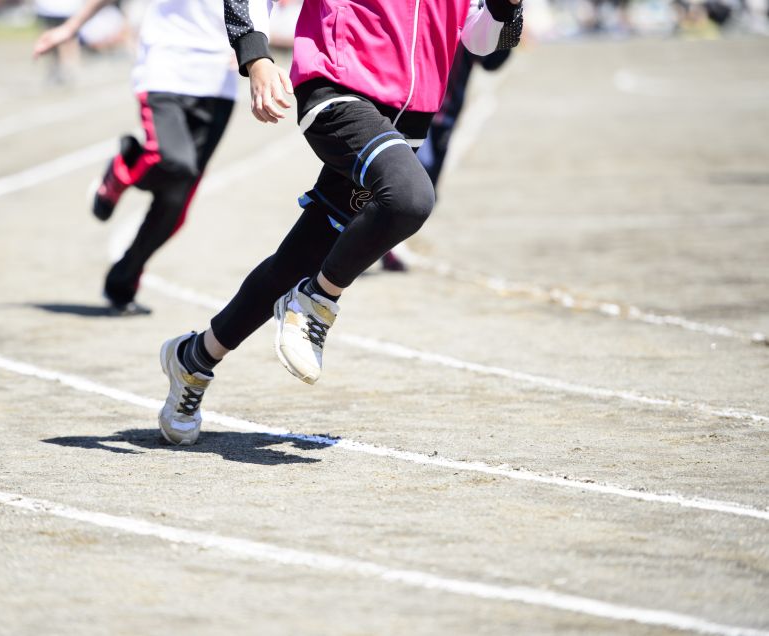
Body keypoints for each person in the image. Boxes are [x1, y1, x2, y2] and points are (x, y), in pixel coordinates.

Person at [157, 0, 523, 445]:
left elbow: (479, 40)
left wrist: (509, 8)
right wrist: (255, 56)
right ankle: (316, 302)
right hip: (337, 92)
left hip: (406, 121)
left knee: (300, 256)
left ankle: (194, 360)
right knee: (410, 198)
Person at [34, 0, 238, 314]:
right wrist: (71, 27)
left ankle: (122, 281)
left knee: (177, 200)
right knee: (174, 161)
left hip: (221, 83)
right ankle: (122, 171)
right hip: (166, 68)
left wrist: (254, 51)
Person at [418, 45, 512, 188]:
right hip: (408, 108)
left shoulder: (468, 22)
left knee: (426, 186)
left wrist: (506, 28)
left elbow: (491, 62)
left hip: (444, 114)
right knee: (418, 178)